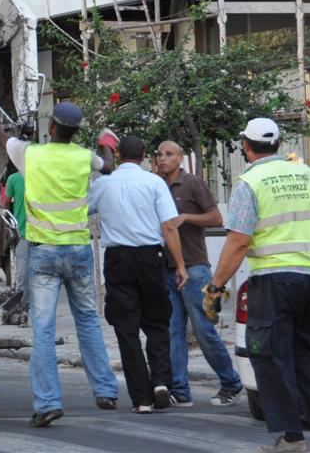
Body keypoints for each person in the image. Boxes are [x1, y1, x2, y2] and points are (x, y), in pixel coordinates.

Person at [206, 118, 310, 453]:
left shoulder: (250, 182)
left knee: (270, 356)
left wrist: (216, 286)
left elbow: (238, 242)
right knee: (306, 353)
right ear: (278, 143)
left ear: (246, 146)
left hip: (273, 282)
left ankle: (291, 438)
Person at [0, 99, 120, 427]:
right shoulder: (85, 157)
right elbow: (108, 166)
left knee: (43, 328)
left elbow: (1, 136)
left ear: (52, 128)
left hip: (43, 254)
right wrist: (108, 143)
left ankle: (47, 403)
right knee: (87, 318)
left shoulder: (31, 154)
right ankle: (105, 390)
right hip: (79, 251)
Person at [88, 135, 187, 414]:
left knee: (126, 328)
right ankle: (160, 381)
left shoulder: (103, 184)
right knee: (157, 322)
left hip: (118, 260)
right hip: (150, 257)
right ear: (146, 156)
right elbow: (169, 227)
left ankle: (141, 398)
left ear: (118, 155)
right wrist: (179, 265)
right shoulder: (154, 182)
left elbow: (83, 210)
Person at [154, 140, 244, 408]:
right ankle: (180, 389)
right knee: (173, 332)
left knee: (204, 330)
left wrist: (186, 218)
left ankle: (231, 383)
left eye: (169, 154)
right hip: (166, 268)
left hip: (194, 268)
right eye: (159, 154)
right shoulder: (156, 185)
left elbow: (217, 218)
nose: (162, 159)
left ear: (180, 159)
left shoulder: (192, 184)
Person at [0, 163, 29, 325]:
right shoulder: (14, 179)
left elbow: (5, 206)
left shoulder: (42, 176)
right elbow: (6, 205)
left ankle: (28, 310)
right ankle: (23, 310)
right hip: (23, 234)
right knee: (23, 276)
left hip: (43, 235)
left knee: (34, 276)